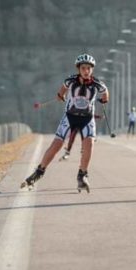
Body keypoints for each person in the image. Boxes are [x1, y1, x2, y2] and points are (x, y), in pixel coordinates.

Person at [22, 53, 109, 192]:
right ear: (78, 69)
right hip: (70, 117)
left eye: (89, 68)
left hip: (87, 118)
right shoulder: (70, 81)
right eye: (83, 68)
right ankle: (39, 171)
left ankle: (82, 175)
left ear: (92, 69)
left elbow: (105, 92)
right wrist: (60, 96)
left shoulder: (97, 83)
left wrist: (104, 100)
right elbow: (62, 90)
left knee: (89, 143)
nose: (86, 71)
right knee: (57, 145)